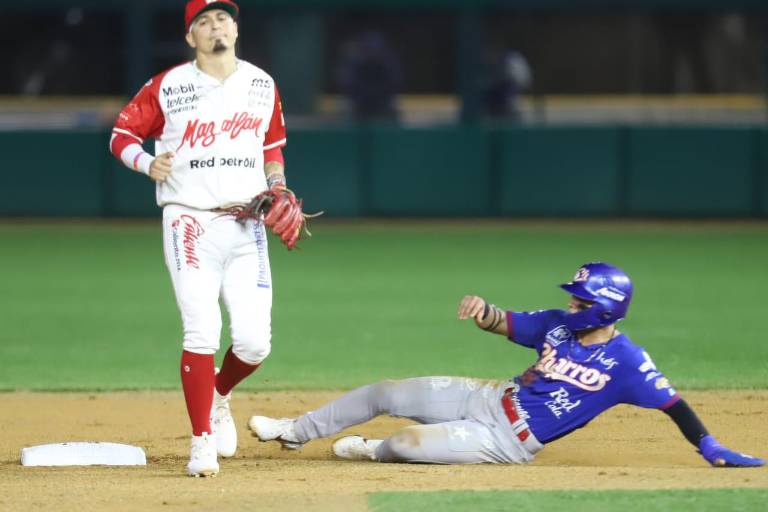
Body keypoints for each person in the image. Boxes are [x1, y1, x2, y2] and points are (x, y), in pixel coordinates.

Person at [248, 262, 764, 467]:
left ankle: (373, 450)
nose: (573, 306)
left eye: (583, 302)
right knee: (389, 391)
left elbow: (674, 404)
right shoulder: (559, 324)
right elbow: (506, 321)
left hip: (506, 443)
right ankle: (294, 429)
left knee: (403, 444)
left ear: (606, 309)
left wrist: (710, 446)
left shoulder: (626, 361)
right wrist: (482, 311)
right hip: (488, 396)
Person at [109, 0, 292, 477]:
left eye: (223, 18)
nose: (216, 26)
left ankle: (219, 394)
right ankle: (201, 443)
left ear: (235, 27)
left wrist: (276, 185)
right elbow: (121, 134)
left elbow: (271, 149)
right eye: (204, 21)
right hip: (188, 220)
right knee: (202, 331)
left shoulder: (261, 84)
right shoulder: (169, 85)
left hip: (246, 223)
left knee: (254, 344)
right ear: (191, 37)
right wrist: (146, 163)